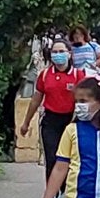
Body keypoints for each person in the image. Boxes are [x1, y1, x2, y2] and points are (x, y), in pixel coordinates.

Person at [17, 37, 83, 176]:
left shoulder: (78, 75)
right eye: (54, 52)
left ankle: (67, 192)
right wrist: (26, 122)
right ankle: (53, 195)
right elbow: (36, 99)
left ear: (69, 53)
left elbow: (86, 100)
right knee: (52, 158)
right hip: (50, 121)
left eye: (61, 51)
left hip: (71, 121)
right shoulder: (45, 75)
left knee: (70, 159)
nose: (57, 55)